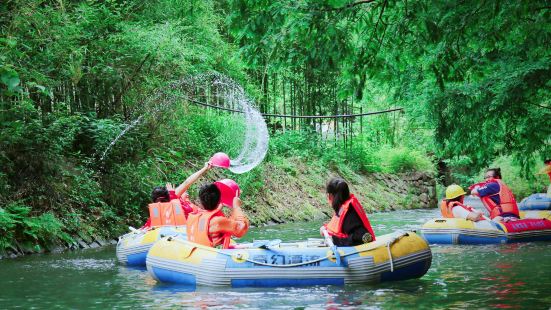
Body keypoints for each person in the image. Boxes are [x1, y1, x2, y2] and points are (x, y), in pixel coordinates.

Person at [141, 162, 213, 229]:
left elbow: (187, 182)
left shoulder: (154, 216)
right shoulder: (173, 198)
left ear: (153, 202)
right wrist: (205, 168)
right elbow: (187, 182)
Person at [186, 182, 249, 248]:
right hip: (213, 255)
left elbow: (210, 215)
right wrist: (236, 207)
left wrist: (218, 207)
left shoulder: (192, 216)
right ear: (219, 201)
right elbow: (241, 229)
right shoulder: (218, 221)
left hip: (198, 251)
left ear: (200, 201)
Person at [320, 177, 376, 246]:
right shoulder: (343, 209)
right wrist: (326, 229)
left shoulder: (349, 212)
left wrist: (335, 240)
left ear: (330, 196)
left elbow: (364, 237)